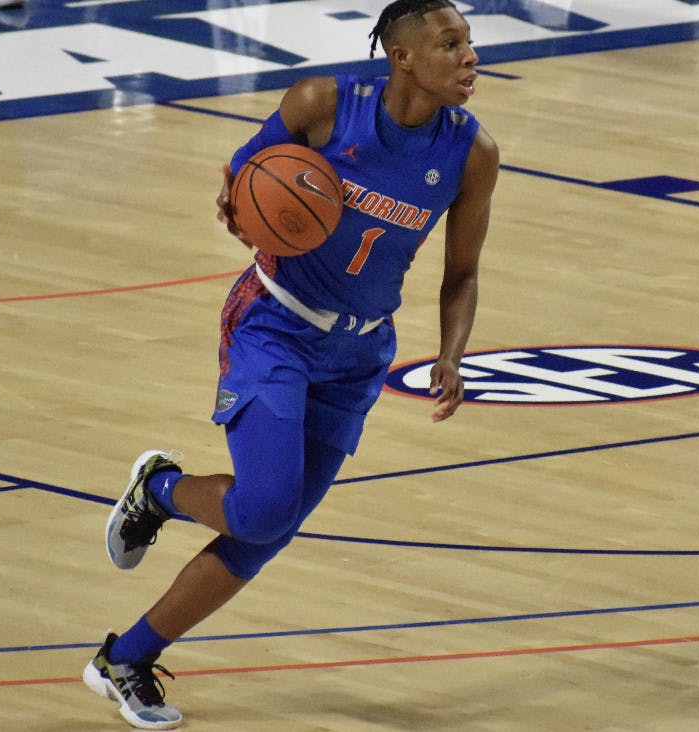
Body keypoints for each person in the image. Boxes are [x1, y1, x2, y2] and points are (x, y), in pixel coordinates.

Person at [82, 0, 499, 727]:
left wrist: (452, 355)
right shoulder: (324, 104)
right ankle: (163, 490)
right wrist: (238, 202)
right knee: (266, 507)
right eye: (450, 42)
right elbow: (247, 176)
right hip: (274, 323)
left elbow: (461, 273)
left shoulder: (472, 152)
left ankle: (126, 659)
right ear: (402, 57)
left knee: (265, 532)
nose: (469, 55)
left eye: (469, 42)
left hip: (360, 351)